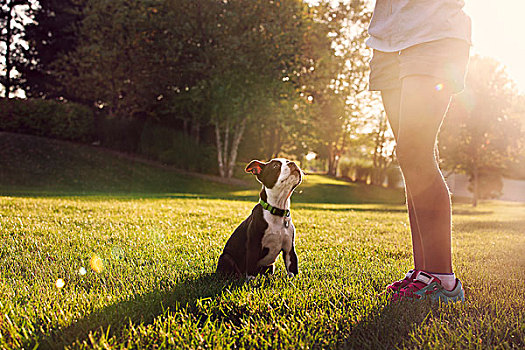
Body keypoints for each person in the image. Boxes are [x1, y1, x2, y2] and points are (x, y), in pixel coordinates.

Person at [366, 0, 471, 302]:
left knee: (415, 151)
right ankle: (423, 272)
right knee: (409, 156)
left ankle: (444, 280)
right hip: (387, 39)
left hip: (434, 32)